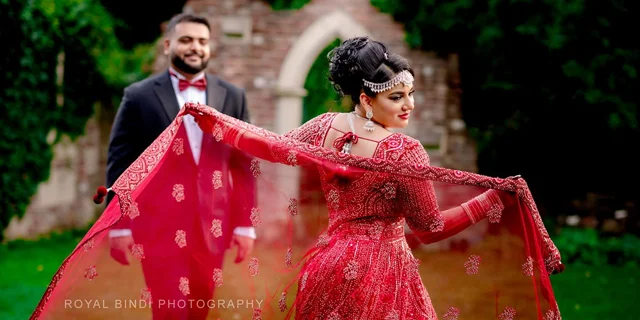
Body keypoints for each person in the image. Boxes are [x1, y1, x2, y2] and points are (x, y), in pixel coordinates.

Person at [32, 37, 564, 320]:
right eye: (396, 96)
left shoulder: (324, 129)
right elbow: (427, 227)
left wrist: (216, 121)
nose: (409, 105)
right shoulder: (405, 149)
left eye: (410, 95)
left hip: (327, 267)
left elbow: (273, 145)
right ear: (366, 96)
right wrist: (489, 199)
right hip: (381, 275)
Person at [104, 13, 256, 319]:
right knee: (168, 309)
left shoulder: (233, 96)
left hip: (213, 226)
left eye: (202, 41)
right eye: (186, 40)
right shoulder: (138, 97)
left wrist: (244, 224)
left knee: (201, 308)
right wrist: (118, 226)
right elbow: (121, 162)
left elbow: (243, 165)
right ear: (167, 45)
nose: (195, 47)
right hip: (158, 227)